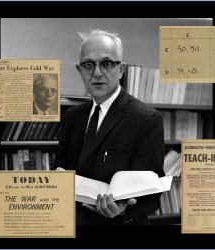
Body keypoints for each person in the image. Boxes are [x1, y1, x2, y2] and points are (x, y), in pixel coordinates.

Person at [53, 29, 165, 225]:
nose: (96, 73)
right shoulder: (71, 116)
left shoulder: (146, 118)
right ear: (80, 71)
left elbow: (153, 196)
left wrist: (122, 211)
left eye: (106, 64)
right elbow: (60, 171)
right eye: (88, 65)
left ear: (121, 70)